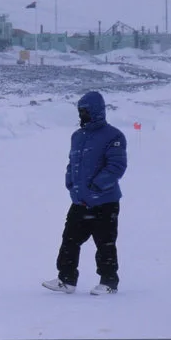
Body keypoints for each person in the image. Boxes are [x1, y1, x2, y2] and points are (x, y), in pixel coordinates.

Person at [43, 91, 128, 296]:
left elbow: (116, 166)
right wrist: (71, 184)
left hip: (105, 201)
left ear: (96, 111)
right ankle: (66, 279)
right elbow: (72, 164)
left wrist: (96, 188)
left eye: (86, 111)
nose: (82, 115)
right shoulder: (77, 136)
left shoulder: (113, 136)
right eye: (80, 111)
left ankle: (108, 282)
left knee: (105, 243)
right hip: (80, 201)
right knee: (69, 240)